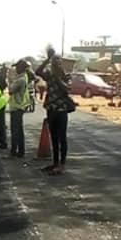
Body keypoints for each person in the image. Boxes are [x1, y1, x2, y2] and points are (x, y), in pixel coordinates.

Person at [37, 47, 74, 175]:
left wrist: (58, 78)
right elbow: (38, 71)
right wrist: (47, 59)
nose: (56, 65)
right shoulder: (49, 75)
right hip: (51, 110)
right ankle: (55, 163)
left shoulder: (66, 76)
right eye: (54, 63)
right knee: (53, 138)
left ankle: (62, 165)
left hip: (61, 111)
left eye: (58, 63)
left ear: (61, 64)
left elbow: (67, 89)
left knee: (62, 138)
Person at [8, 59, 31, 158]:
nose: (16, 69)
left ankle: (13, 152)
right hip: (20, 105)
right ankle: (21, 151)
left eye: (17, 67)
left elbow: (10, 90)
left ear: (22, 68)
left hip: (17, 107)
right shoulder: (23, 77)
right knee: (19, 131)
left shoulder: (20, 80)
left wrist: (10, 79)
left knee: (15, 131)